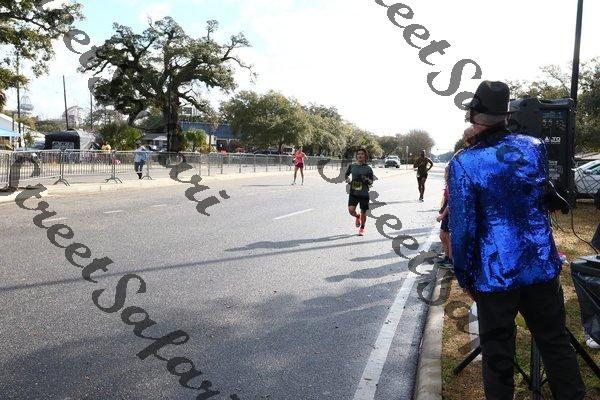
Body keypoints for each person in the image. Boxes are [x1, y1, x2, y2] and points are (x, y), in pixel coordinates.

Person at [449, 81, 585, 400]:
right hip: (540, 265)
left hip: (494, 274)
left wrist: (464, 275)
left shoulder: (464, 163)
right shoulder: (534, 147)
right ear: (506, 115)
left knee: (498, 351)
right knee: (555, 341)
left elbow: (464, 228)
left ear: (473, 116)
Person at [344, 148, 374, 236]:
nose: (360, 155)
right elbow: (346, 175)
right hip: (354, 192)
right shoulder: (352, 166)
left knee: (363, 212)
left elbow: (371, 182)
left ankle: (362, 228)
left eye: (362, 154)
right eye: (358, 154)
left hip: (364, 194)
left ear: (365, 156)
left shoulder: (368, 168)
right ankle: (357, 216)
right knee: (351, 210)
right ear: (356, 156)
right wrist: (347, 179)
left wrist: (365, 179)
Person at [436, 165, 452, 269]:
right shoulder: (448, 184)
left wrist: (442, 215)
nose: (444, 174)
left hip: (448, 214)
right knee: (442, 236)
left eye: (445, 172)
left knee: (448, 237)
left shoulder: (452, 185)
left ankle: (450, 260)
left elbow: (450, 203)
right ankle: (446, 257)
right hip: (445, 213)